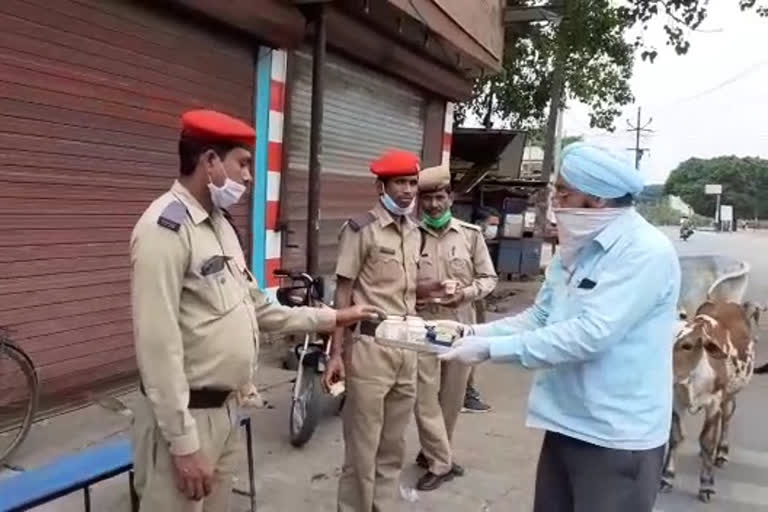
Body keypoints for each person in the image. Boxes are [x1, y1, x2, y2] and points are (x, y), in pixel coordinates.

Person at [130, 110, 381, 512]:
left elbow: (260, 309)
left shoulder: (221, 226)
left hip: (226, 412)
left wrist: (335, 318)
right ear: (209, 160)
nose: (249, 177)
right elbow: (157, 348)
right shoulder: (165, 229)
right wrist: (182, 443)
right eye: (242, 163)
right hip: (187, 419)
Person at [441, 142, 681, 512]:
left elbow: (591, 335)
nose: (555, 201)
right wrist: (474, 334)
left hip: (616, 437)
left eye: (564, 192)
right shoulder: (578, 248)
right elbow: (540, 318)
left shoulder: (645, 252)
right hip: (568, 421)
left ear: (597, 200)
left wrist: (491, 350)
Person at [323, 150, 422, 512]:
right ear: (381, 186)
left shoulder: (414, 231)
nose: (408, 190)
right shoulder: (360, 229)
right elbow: (343, 294)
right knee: (362, 451)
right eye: (400, 183)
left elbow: (406, 290)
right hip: (370, 347)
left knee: (392, 447)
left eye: (412, 183)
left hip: (407, 348)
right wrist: (336, 353)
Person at [413, 165, 497, 490]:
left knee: (451, 398)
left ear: (450, 198)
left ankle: (434, 453)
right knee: (424, 397)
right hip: (421, 329)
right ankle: (440, 462)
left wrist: (465, 293)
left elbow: (489, 278)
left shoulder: (470, 236)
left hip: (459, 326)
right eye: (427, 199)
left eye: (439, 197)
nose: (433, 205)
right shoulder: (410, 235)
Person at [462, 206, 501, 413]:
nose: (495, 229)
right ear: (479, 224)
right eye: (492, 225)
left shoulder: (480, 242)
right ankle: (465, 394)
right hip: (464, 300)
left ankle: (466, 392)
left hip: (476, 300)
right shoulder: (466, 240)